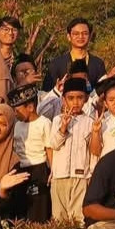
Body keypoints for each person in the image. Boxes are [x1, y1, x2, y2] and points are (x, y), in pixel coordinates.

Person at [48, 78, 96, 221]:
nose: (75, 102)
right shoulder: (57, 120)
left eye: (80, 98)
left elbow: (93, 153)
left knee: (78, 218)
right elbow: (54, 144)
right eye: (71, 98)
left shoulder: (90, 122)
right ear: (64, 100)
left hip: (81, 177)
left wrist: (91, 174)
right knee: (59, 217)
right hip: (59, 176)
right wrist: (63, 127)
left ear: (86, 99)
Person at [6, 83, 52, 223]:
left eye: (17, 110)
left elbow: (49, 148)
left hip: (39, 168)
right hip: (21, 168)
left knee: (39, 206)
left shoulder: (44, 123)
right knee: (22, 205)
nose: (15, 113)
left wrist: (52, 170)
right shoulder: (17, 124)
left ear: (30, 107)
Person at [42, 17, 106, 92]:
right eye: (76, 34)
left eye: (85, 33)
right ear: (69, 37)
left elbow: (103, 92)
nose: (81, 37)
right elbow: (46, 94)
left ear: (90, 36)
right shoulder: (57, 64)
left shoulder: (97, 63)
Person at [89, 80, 115, 160]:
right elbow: (95, 151)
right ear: (105, 103)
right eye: (111, 100)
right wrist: (95, 132)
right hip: (107, 167)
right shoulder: (102, 123)